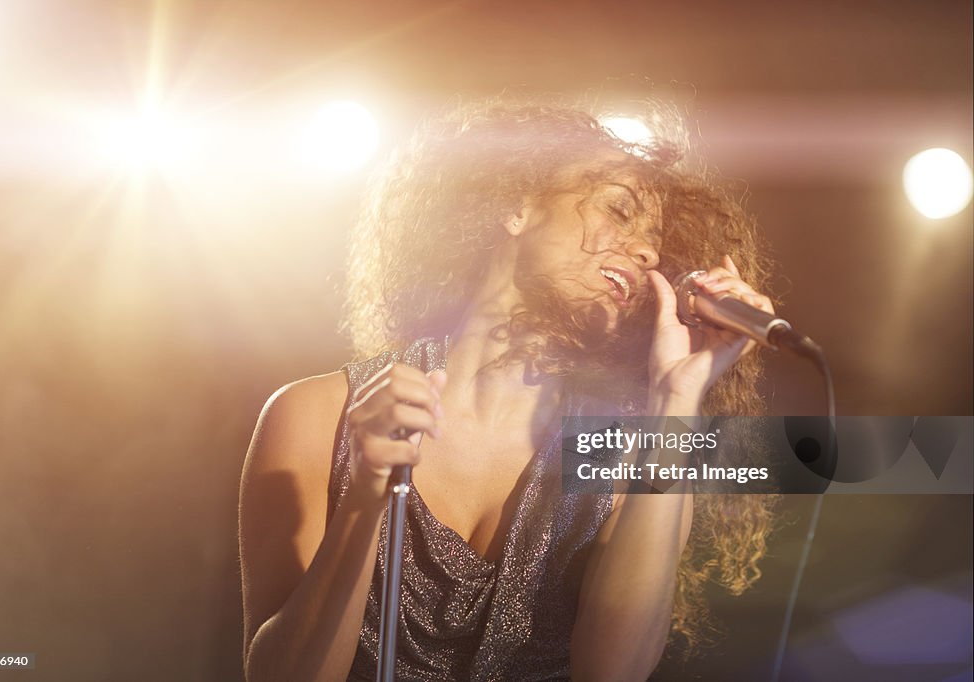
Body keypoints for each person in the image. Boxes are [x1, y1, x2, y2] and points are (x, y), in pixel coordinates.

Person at [239, 99, 778, 681]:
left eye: (655, 243)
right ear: (516, 205)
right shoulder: (319, 415)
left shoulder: (631, 453)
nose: (647, 252)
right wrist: (367, 495)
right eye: (619, 211)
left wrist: (677, 401)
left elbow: (614, 672)